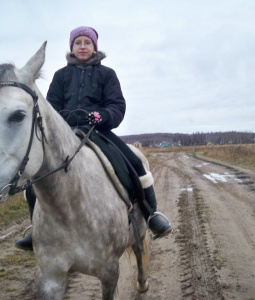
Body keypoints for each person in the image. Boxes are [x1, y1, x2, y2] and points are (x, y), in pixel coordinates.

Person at [15, 26, 172, 251]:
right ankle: (35, 228)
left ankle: (152, 215)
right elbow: (51, 106)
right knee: (36, 177)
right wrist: (62, 120)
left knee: (135, 163)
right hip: (64, 134)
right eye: (78, 42)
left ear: (94, 47)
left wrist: (102, 116)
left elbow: (117, 106)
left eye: (87, 43)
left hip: (98, 131)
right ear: (72, 47)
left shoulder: (107, 74)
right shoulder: (61, 76)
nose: (82, 46)